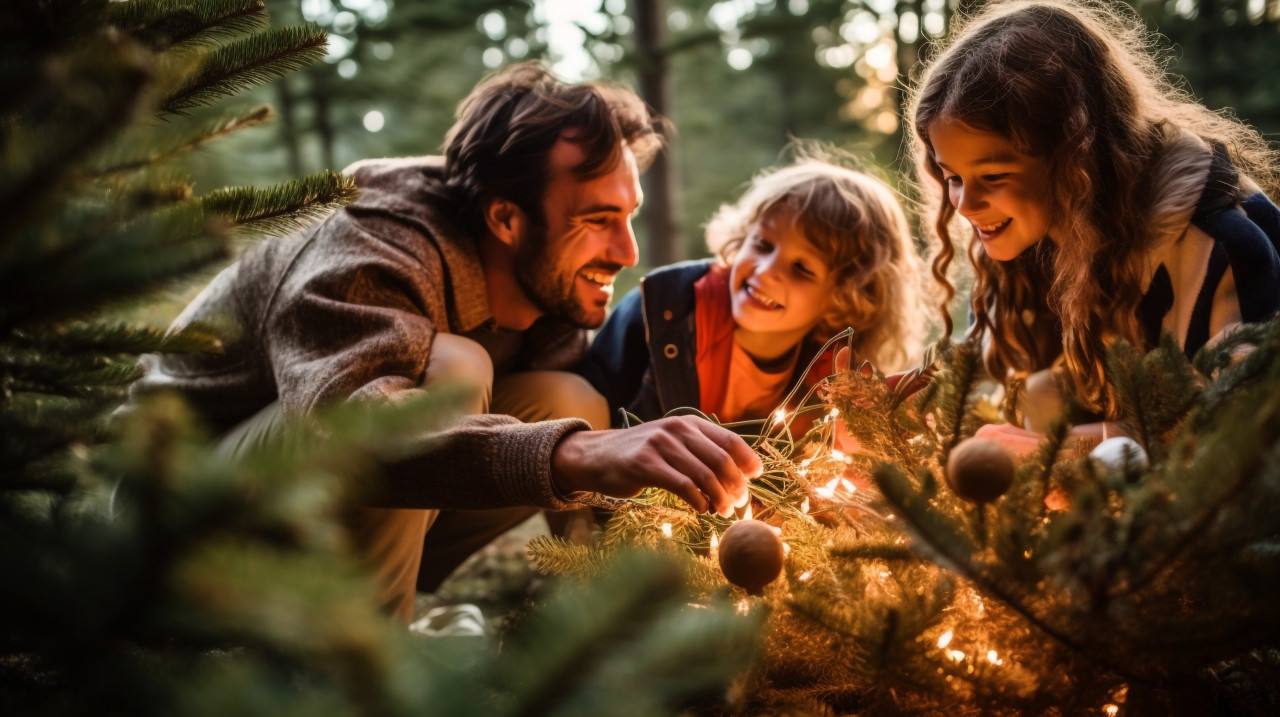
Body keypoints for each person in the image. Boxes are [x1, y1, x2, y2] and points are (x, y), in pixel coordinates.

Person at [129, 63, 760, 622]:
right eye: (598, 220)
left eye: (628, 217)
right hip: (172, 506)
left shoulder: (552, 279)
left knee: (571, 399)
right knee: (458, 367)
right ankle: (360, 671)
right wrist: (579, 455)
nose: (627, 252)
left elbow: (575, 456)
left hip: (308, 511)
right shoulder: (374, 239)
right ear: (505, 218)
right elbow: (351, 430)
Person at [906, 0, 1280, 451]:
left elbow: (1245, 435)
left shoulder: (1218, 246)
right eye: (952, 177)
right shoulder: (1022, 245)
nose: (966, 204)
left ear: (1074, 161)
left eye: (994, 177)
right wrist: (916, 400)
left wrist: (1063, 454)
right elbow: (988, 371)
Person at [579, 150, 928, 429]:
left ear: (846, 297)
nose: (766, 271)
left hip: (728, 513)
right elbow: (591, 389)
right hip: (619, 490)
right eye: (762, 244)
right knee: (567, 394)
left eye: (802, 269)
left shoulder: (832, 376)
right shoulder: (665, 306)